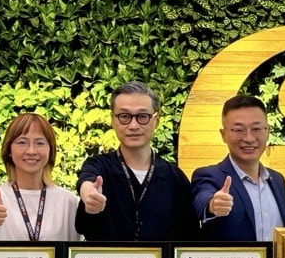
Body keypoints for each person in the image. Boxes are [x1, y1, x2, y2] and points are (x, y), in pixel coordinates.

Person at [75, 81, 198, 241]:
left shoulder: (175, 177)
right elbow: (87, 182)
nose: (133, 126)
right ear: (113, 120)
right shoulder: (99, 167)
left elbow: (190, 233)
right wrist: (90, 197)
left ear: (156, 120)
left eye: (142, 117)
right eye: (124, 116)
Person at [191, 95, 285, 241]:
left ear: (267, 131)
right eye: (238, 130)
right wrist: (213, 205)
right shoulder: (209, 176)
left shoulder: (277, 180)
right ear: (223, 135)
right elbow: (202, 199)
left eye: (256, 129)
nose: (249, 138)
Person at [0, 113, 78, 241]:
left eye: (40, 143)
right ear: (9, 150)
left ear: (50, 150)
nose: (31, 151)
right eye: (22, 142)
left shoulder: (68, 201)